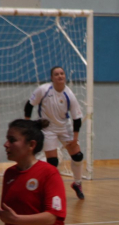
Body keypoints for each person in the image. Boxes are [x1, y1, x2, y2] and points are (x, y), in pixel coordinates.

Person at [25, 66, 86, 200]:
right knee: (53, 162)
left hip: (65, 128)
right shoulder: (43, 90)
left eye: (62, 74)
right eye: (56, 74)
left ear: (65, 76)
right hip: (48, 129)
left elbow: (77, 118)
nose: (60, 76)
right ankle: (49, 189)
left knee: (78, 156)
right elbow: (29, 105)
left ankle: (77, 183)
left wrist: (75, 138)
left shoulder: (69, 94)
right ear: (52, 78)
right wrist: (28, 124)